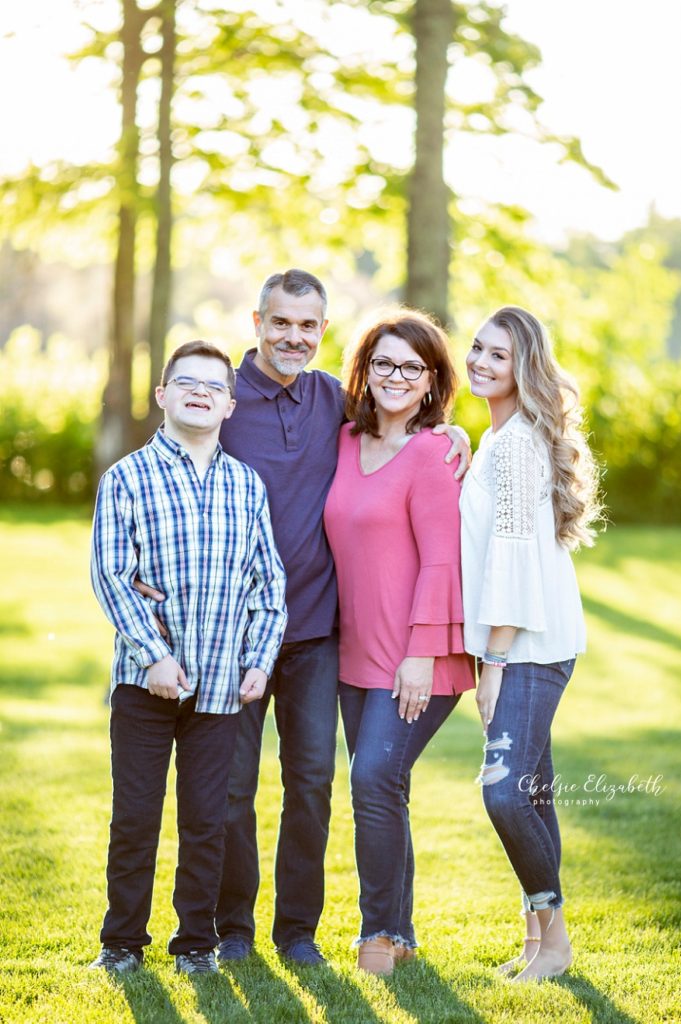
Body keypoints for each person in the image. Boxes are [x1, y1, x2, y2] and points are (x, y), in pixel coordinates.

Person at [136, 270, 471, 966]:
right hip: (230, 633)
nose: (294, 337)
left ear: (323, 330)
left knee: (311, 785)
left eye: (308, 326)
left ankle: (297, 933)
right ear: (256, 320)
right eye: (281, 323)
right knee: (229, 788)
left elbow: (399, 414)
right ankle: (233, 930)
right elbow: (164, 464)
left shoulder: (330, 400)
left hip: (318, 632)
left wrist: (453, 430)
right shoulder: (221, 395)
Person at [89, 341, 287, 976]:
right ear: (162, 396)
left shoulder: (245, 485)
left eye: (213, 386)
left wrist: (259, 660)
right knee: (136, 818)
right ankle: (121, 942)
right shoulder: (125, 479)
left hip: (223, 687)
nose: (199, 393)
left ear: (230, 405)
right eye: (186, 383)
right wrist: (153, 655)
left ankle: (196, 943)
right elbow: (112, 576)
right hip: (144, 685)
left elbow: (268, 586)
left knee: (209, 821)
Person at [324, 309, 476, 975]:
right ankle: (404, 932)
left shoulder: (431, 453)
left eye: (411, 367)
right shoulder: (340, 441)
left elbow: (442, 561)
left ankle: (378, 936)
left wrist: (418, 655)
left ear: (432, 381)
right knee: (385, 785)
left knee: (372, 778)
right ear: (363, 369)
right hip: (354, 652)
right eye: (383, 362)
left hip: (420, 655)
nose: (395, 376)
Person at [459, 306, 602, 981]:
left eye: (499, 355)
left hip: (528, 647)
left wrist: (491, 661)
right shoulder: (501, 438)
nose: (481, 362)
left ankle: (556, 938)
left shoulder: (514, 443)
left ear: (523, 368)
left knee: (506, 795)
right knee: (532, 793)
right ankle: (540, 944)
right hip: (537, 639)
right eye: (477, 348)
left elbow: (511, 554)